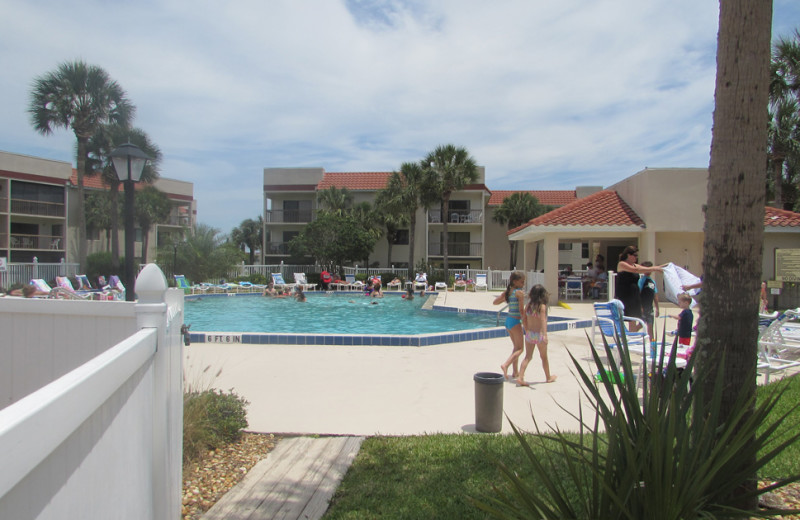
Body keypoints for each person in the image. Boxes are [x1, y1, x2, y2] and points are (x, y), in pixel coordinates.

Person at [615, 246, 665, 332]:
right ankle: (627, 338)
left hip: (634, 296)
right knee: (628, 317)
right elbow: (635, 270)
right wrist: (654, 268)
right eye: (634, 255)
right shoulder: (622, 264)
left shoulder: (634, 265)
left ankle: (632, 337)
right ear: (628, 255)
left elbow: (645, 269)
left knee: (633, 318)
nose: (636, 257)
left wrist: (660, 267)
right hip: (625, 296)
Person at [517, 284, 557, 386]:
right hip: (539, 335)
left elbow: (524, 318)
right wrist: (545, 335)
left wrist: (526, 329)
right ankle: (548, 377)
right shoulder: (542, 307)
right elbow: (543, 321)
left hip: (530, 334)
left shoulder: (528, 306)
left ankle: (520, 377)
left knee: (527, 357)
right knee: (544, 357)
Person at [496, 271, 526, 380]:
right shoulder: (519, 293)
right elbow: (521, 310)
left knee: (516, 348)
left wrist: (502, 297)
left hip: (508, 321)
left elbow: (495, 302)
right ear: (515, 281)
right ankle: (506, 365)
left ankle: (515, 372)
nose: (524, 284)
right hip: (515, 321)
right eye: (522, 282)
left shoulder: (509, 292)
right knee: (520, 349)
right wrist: (525, 323)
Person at [638, 261, 660, 344]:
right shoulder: (641, 281)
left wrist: (657, 308)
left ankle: (652, 345)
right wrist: (640, 307)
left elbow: (655, 295)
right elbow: (638, 294)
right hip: (643, 307)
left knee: (650, 329)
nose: (648, 271)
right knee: (640, 325)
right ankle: (630, 338)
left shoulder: (652, 282)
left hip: (650, 309)